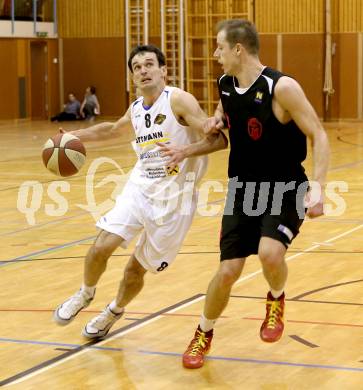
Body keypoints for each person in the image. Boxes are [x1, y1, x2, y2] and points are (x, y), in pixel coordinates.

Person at [178, 19, 330, 369]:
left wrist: (318, 188)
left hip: (286, 186)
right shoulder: (225, 85)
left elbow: (319, 135)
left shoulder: (282, 87)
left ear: (238, 49)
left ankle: (275, 300)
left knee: (269, 253)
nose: (214, 54)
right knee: (228, 270)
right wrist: (206, 130)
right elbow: (222, 124)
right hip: (242, 188)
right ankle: (204, 332)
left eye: (219, 47)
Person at [53, 44, 228, 339]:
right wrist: (74, 135)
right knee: (100, 247)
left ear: (164, 70)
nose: (143, 70)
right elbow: (112, 130)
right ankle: (85, 293)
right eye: (137, 67)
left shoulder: (179, 101)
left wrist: (186, 149)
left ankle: (114, 310)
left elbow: (216, 138)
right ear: (133, 77)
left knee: (135, 271)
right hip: (140, 188)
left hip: (174, 202)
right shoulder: (136, 109)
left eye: (149, 64)